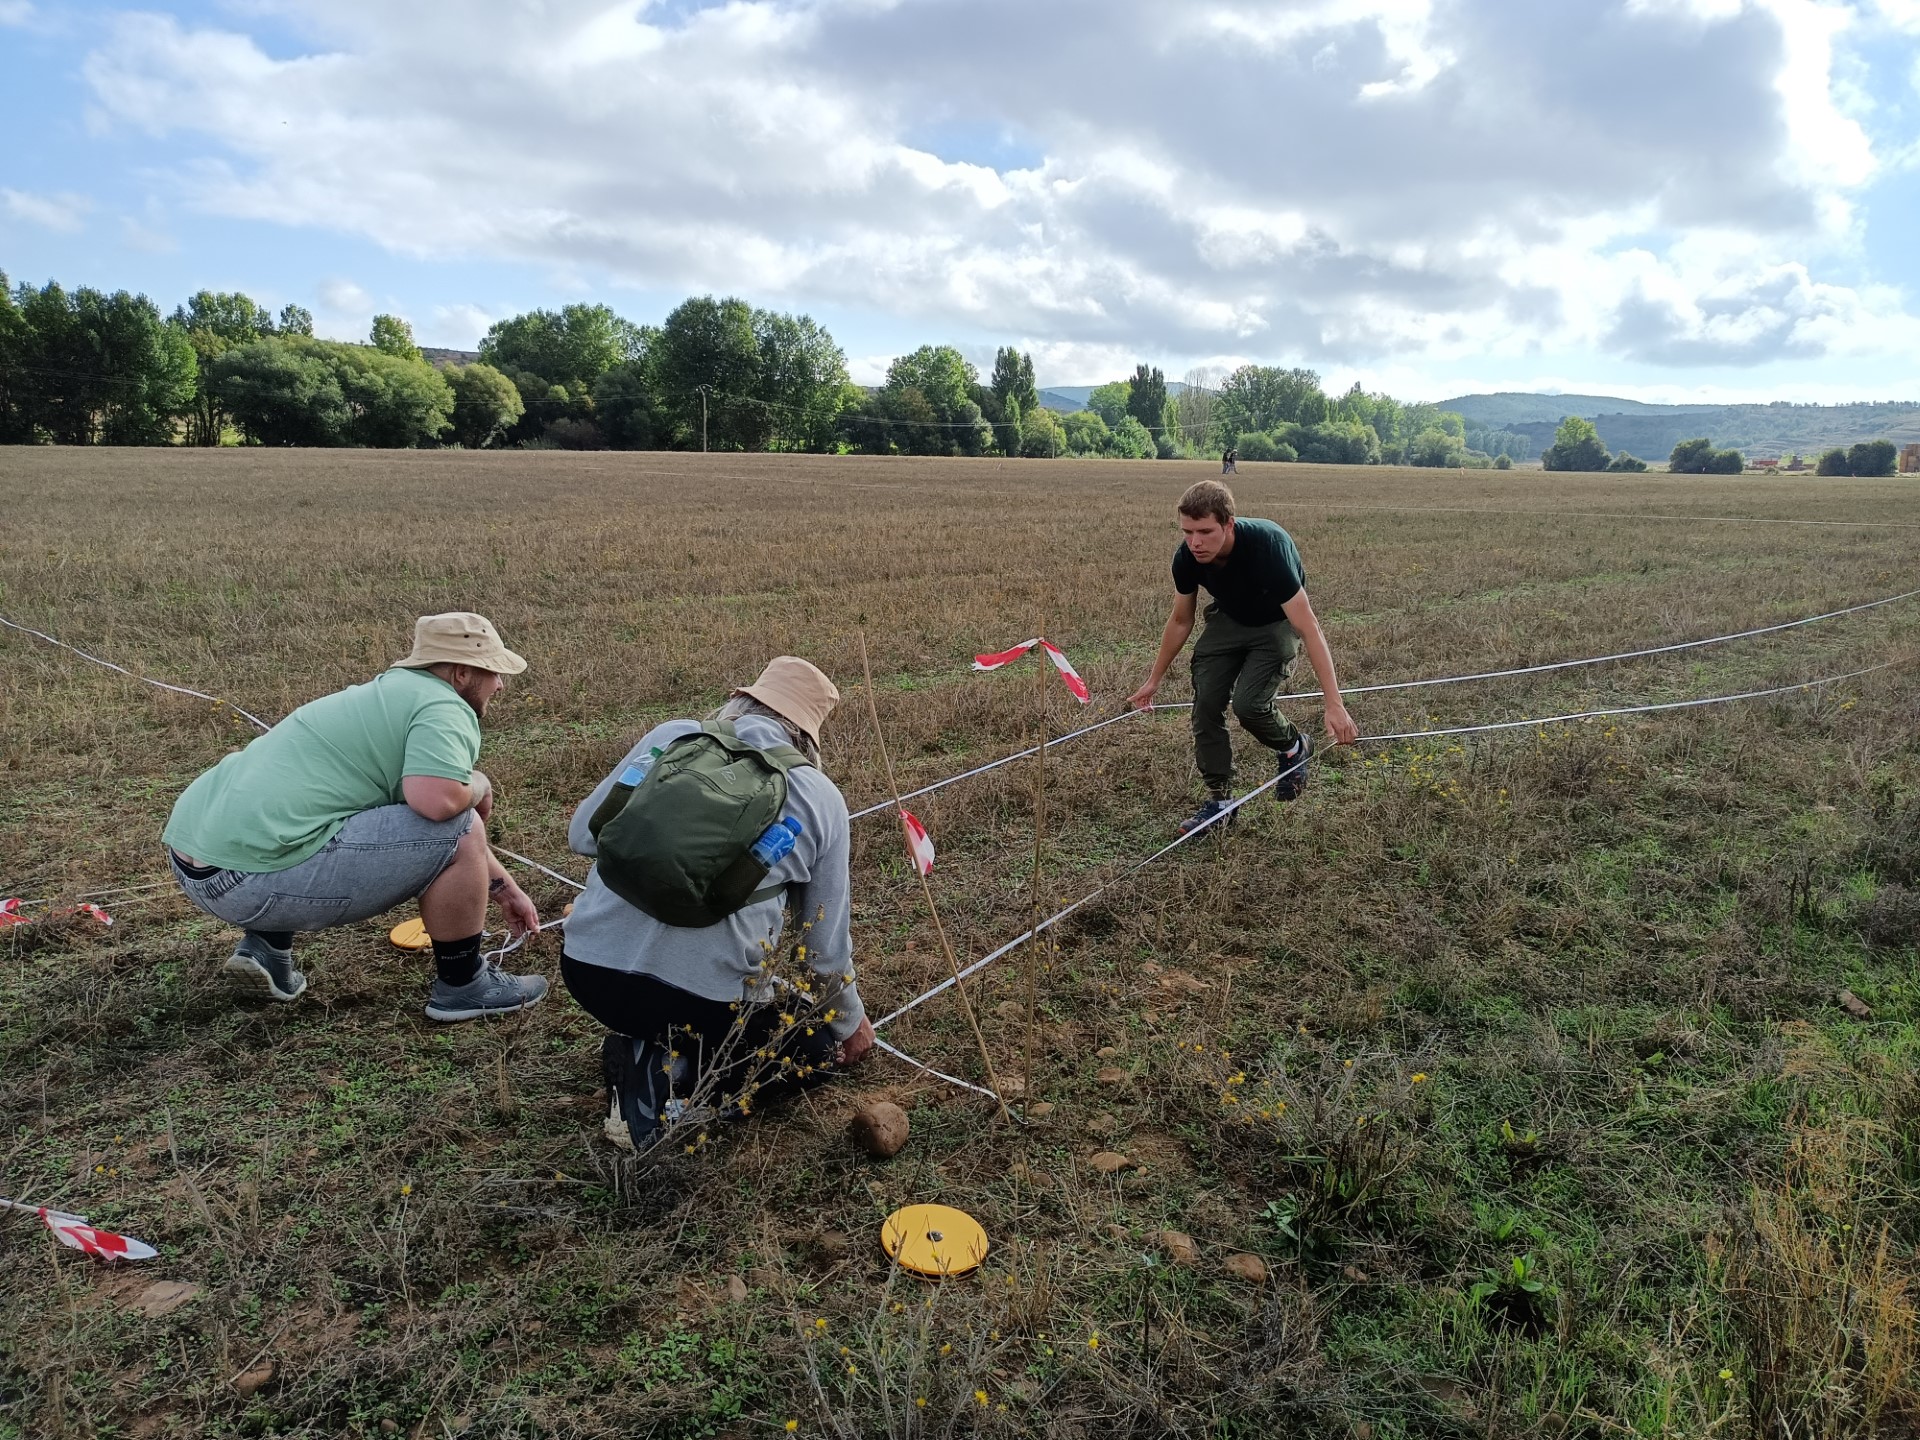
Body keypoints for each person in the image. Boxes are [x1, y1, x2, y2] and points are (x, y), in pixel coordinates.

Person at [163, 612, 547, 1021]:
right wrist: (480, 785)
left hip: (195, 864)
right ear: (461, 674)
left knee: (323, 814)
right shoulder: (444, 706)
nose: (501, 684)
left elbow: (407, 811)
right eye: (493, 672)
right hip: (252, 880)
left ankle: (269, 949)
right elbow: (439, 807)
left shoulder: (382, 697)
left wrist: (504, 889)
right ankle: (465, 985)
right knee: (461, 825)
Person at [561, 656, 875, 1149]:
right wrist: (849, 1023)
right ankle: (680, 1098)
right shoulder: (817, 793)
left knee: (676, 1009)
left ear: (741, 700)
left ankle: (648, 1053)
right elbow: (823, 948)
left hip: (588, 971)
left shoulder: (671, 737)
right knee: (810, 1049)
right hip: (704, 1004)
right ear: (808, 734)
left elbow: (583, 835)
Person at [1128, 481, 1360, 833]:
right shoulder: (1186, 558)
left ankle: (1294, 747)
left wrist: (1334, 704)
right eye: (1187, 532)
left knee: (1249, 705)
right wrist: (1153, 679)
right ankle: (1220, 804)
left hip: (1275, 622)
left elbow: (1309, 627)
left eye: (1205, 531)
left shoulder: (1268, 548)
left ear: (1229, 524)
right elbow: (1180, 620)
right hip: (1230, 618)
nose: (1195, 542)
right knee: (1206, 703)